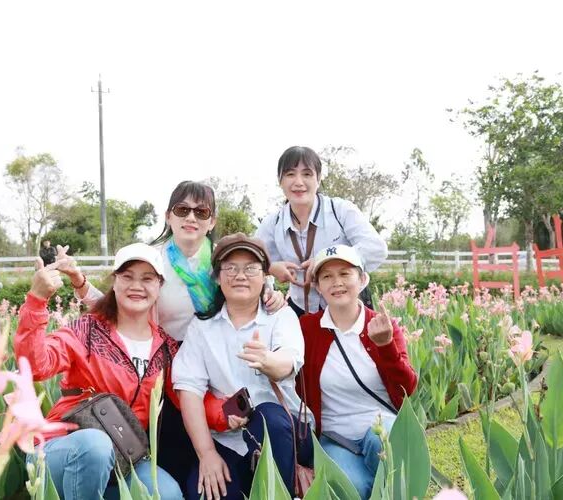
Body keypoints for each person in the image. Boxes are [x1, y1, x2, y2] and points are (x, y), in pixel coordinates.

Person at [57, 180, 286, 493]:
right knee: (174, 456)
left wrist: (272, 295)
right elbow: (120, 305)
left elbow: (252, 282)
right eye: (182, 210)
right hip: (166, 368)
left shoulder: (222, 262)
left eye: (201, 212)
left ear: (212, 221)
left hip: (222, 364)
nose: (191, 217)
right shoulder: (152, 260)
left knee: (230, 434)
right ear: (168, 216)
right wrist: (80, 282)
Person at [15, 243, 184, 500]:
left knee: (168, 493)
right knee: (95, 446)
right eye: (127, 276)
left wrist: (227, 412)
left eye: (147, 278)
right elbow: (36, 367)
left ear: (159, 286)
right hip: (64, 448)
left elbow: (189, 397)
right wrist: (37, 301)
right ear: (114, 283)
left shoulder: (165, 348)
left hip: (124, 456)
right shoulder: (88, 330)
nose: (136, 286)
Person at [172, 233, 312, 500]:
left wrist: (268, 361)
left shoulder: (280, 316)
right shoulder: (202, 327)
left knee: (268, 417)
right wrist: (207, 454)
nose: (240, 276)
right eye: (230, 268)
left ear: (265, 276)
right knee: (205, 492)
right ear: (217, 277)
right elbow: (189, 389)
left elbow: (288, 362)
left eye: (250, 268)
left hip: (285, 434)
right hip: (227, 438)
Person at [297, 244, 417, 499]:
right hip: (335, 436)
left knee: (385, 454)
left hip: (379, 424)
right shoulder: (307, 329)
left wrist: (386, 346)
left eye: (345, 274)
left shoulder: (382, 325)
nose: (336, 282)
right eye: (327, 276)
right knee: (352, 488)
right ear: (318, 286)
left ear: (362, 280)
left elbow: (407, 388)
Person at [255, 146, 389, 316]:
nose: (298, 182)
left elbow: (377, 249)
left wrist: (325, 260)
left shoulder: (340, 210)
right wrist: (271, 268)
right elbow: (251, 262)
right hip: (302, 308)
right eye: (290, 174)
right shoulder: (272, 223)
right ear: (280, 181)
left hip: (349, 305)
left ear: (318, 179)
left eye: (307, 174)